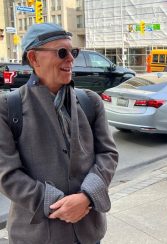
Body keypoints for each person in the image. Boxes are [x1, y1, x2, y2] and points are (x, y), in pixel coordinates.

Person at [0, 23, 118, 243]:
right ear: (34, 59)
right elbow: (7, 174)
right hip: (37, 236)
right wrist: (57, 204)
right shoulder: (8, 107)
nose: (71, 60)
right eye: (62, 52)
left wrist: (86, 197)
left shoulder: (90, 101)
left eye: (73, 52)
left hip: (88, 231)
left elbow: (108, 155)